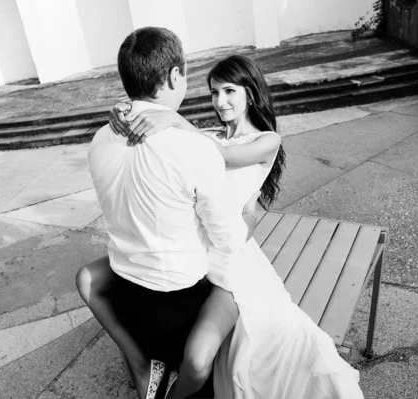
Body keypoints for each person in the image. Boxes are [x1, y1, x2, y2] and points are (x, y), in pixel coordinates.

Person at [82, 52, 366, 399]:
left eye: (230, 91)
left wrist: (168, 118)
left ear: (251, 92)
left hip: (231, 256)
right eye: (214, 93)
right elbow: (183, 150)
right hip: (197, 250)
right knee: (100, 282)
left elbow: (224, 156)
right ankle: (150, 368)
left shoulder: (266, 141)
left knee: (249, 347)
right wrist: (128, 109)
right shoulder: (207, 134)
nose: (220, 101)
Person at [80, 27, 259, 399]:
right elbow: (226, 239)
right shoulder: (193, 148)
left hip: (126, 289)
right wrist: (248, 217)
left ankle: (144, 367)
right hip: (181, 301)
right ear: (176, 75)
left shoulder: (100, 138)